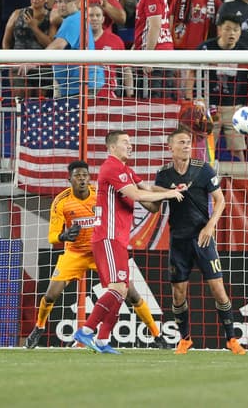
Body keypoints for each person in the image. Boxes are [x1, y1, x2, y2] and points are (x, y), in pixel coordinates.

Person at [25, 160, 165, 350]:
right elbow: (52, 236)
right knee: (51, 295)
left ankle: (157, 335)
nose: (82, 179)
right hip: (75, 253)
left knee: (130, 292)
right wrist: (63, 236)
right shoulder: (61, 201)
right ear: (69, 179)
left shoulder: (99, 195)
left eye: (85, 175)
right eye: (77, 176)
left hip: (101, 250)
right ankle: (39, 327)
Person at [70, 130, 184, 353]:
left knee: (121, 291)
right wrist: (169, 196)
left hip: (118, 240)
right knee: (117, 288)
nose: (130, 146)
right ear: (112, 148)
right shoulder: (111, 168)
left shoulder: (126, 170)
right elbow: (140, 196)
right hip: (108, 237)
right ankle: (86, 330)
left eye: (130, 143)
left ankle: (102, 340)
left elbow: (149, 189)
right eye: (125, 143)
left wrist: (173, 189)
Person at [144, 129, 244, 355]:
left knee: (218, 289)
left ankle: (232, 339)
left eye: (189, 142)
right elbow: (153, 206)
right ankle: (185, 339)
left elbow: (220, 201)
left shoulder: (203, 169)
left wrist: (210, 226)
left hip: (203, 238)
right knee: (178, 294)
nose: (187, 145)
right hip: (178, 241)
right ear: (171, 148)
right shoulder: (164, 175)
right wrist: (136, 195)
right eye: (182, 142)